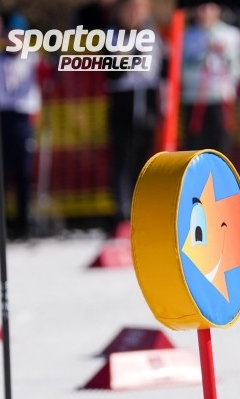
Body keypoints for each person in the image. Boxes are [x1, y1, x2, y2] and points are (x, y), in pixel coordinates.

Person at [0, 13, 46, 241]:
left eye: (18, 36)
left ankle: (23, 223)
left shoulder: (32, 59)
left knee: (22, 173)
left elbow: (50, 75)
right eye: (9, 35)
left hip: (23, 117)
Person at [106, 0, 161, 236]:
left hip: (147, 101)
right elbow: (114, 72)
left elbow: (154, 68)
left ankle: (144, 212)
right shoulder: (111, 35)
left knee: (145, 158)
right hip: (123, 103)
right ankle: (122, 213)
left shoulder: (152, 34)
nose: (133, 15)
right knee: (122, 158)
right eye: (129, 10)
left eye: (138, 10)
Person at [180, 2, 240, 153]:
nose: (205, 13)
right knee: (194, 151)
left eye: (210, 8)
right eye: (201, 8)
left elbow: (238, 71)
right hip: (193, 100)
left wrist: (224, 55)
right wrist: (202, 54)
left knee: (222, 150)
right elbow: (180, 72)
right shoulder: (185, 36)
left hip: (222, 100)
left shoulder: (232, 35)